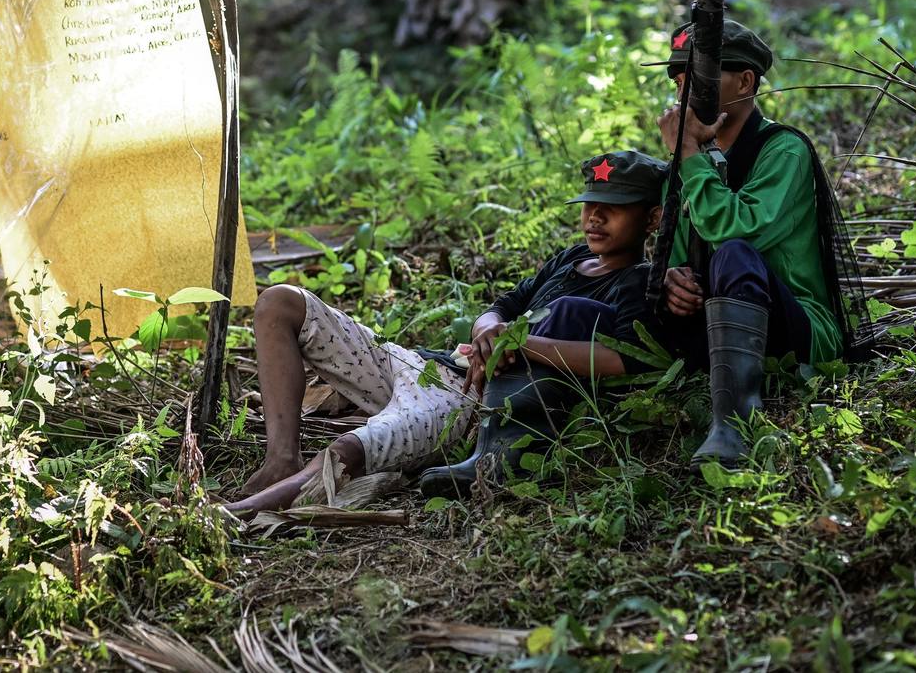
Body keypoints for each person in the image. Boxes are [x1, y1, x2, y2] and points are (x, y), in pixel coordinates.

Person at [226, 150, 668, 515]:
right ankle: (281, 457)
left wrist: (520, 344)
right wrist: (490, 331)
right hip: (428, 366)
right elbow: (497, 310)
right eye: (590, 204)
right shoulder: (569, 259)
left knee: (349, 449)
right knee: (280, 302)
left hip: (462, 403)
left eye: (614, 208)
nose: (595, 217)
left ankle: (233, 516)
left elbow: (621, 359)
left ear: (651, 219)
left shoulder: (636, 282)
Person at [654, 19, 861, 466]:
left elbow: (737, 231)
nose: (684, 93)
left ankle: (734, 425)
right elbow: (668, 256)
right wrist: (671, 280)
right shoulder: (689, 162)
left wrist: (688, 156)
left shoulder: (784, 150)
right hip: (716, 323)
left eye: (700, 80)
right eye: (678, 81)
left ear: (746, 81)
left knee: (733, 253)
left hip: (797, 328)